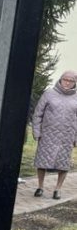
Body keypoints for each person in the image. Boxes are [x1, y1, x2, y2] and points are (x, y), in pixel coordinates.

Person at [32, 71, 77, 199]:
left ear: (75, 83)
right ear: (60, 79)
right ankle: (40, 187)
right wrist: (37, 132)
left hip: (67, 136)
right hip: (47, 135)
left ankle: (58, 189)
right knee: (42, 161)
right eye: (65, 79)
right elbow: (38, 114)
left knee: (63, 164)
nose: (67, 82)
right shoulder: (49, 93)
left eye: (71, 81)